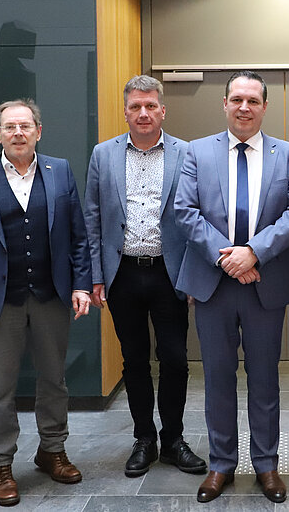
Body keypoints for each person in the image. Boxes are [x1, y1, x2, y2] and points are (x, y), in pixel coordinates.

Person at [174, 71, 289, 504]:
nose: (244, 107)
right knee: (216, 377)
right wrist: (227, 257)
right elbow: (185, 211)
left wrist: (252, 253)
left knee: (265, 377)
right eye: (237, 99)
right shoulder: (197, 152)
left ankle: (266, 465)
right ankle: (221, 464)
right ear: (225, 104)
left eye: (253, 100)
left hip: (265, 282)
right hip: (214, 283)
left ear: (265, 107)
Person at [0, 99, 92, 507]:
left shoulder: (60, 171)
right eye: (9, 127)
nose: (17, 133)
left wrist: (81, 284)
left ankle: (52, 450)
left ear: (38, 131)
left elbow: (78, 235)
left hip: (51, 295)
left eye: (25, 126)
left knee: (54, 379)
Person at [83, 75, 206, 478]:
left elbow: (196, 218)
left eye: (151, 106)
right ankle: (144, 439)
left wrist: (192, 275)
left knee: (175, 359)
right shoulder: (103, 155)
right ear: (125, 111)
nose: (143, 113)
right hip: (122, 275)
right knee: (134, 360)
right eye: (135, 106)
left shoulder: (187, 154)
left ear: (163, 110)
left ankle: (173, 439)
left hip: (169, 274)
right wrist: (96, 275)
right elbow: (93, 218)